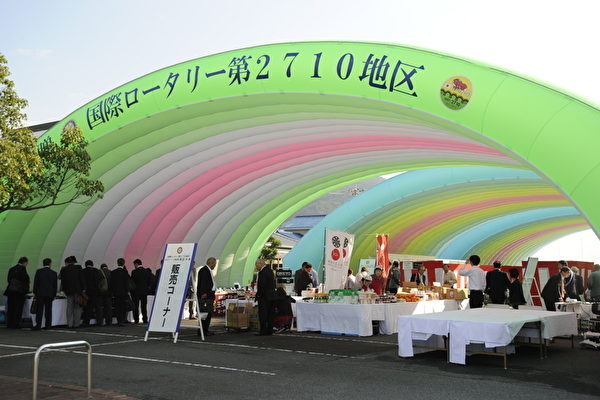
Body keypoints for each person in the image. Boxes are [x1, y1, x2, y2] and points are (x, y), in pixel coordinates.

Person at [59, 256, 86, 329]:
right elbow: (82, 279)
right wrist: (83, 289)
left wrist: (64, 290)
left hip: (68, 291)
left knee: (69, 308)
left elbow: (62, 280)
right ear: (73, 262)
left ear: (67, 263)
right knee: (77, 308)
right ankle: (76, 324)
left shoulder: (64, 269)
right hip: (78, 291)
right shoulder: (78, 267)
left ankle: (69, 324)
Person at [4, 257, 30, 329]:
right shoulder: (23, 269)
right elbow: (25, 280)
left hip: (11, 291)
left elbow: (8, 280)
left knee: (11, 308)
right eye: (27, 263)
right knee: (18, 308)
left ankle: (10, 324)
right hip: (19, 292)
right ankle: (16, 324)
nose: (27, 264)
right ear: (24, 262)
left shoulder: (11, 269)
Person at [32, 258, 57, 330]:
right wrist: (54, 294)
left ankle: (38, 325)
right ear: (50, 264)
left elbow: (36, 283)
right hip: (50, 294)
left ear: (43, 264)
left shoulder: (39, 271)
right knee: (48, 310)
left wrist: (35, 292)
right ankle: (48, 325)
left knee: (39, 310)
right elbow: (55, 285)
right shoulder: (54, 273)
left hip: (40, 293)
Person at [197, 257, 217, 336]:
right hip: (206, 296)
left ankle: (205, 330)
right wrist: (204, 293)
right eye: (214, 264)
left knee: (207, 314)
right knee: (205, 314)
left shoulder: (207, 270)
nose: (215, 266)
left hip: (209, 295)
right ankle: (203, 330)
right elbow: (203, 282)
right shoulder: (205, 270)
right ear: (211, 263)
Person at [255, 259, 275, 336]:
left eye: (256, 265)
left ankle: (263, 330)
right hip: (271, 296)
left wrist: (259, 295)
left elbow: (262, 285)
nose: (256, 267)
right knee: (270, 314)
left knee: (263, 314)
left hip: (264, 297)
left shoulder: (262, 272)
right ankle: (269, 330)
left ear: (260, 264)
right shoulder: (270, 271)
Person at [131, 259, 153, 324]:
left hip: (136, 292)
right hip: (144, 291)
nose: (134, 266)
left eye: (134, 265)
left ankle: (136, 320)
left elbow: (132, 282)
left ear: (136, 264)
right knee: (144, 306)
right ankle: (145, 319)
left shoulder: (134, 272)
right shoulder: (146, 271)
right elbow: (150, 280)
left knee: (136, 306)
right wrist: (147, 287)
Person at [82, 260, 103, 326]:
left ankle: (86, 322)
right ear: (92, 264)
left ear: (85, 265)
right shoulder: (96, 271)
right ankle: (100, 322)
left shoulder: (83, 271)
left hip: (87, 292)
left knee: (88, 307)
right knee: (98, 307)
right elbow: (101, 280)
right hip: (96, 291)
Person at [109, 258, 130, 326]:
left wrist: (112, 291)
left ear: (117, 263)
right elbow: (126, 283)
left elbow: (111, 283)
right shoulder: (125, 272)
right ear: (124, 263)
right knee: (123, 306)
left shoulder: (113, 272)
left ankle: (119, 320)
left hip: (116, 292)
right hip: (123, 292)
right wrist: (128, 291)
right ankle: (122, 320)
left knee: (117, 306)